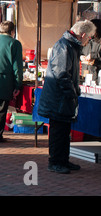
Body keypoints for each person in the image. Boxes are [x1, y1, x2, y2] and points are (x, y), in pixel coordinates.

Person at [38, 20, 96, 174]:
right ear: (83, 34)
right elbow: (61, 73)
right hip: (59, 97)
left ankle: (62, 159)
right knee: (58, 131)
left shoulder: (69, 46)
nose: (88, 40)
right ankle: (55, 161)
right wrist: (71, 91)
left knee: (63, 131)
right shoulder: (64, 46)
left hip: (61, 96)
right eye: (88, 37)